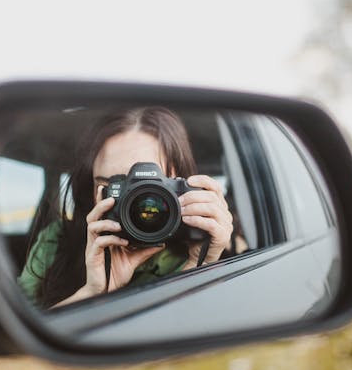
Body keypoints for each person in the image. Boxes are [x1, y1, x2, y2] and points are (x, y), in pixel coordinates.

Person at [18, 106, 234, 309]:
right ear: (90, 187)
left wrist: (199, 264)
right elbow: (15, 340)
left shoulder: (197, 248)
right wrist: (93, 292)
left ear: (180, 187)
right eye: (113, 185)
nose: (133, 202)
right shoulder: (57, 242)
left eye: (145, 187)